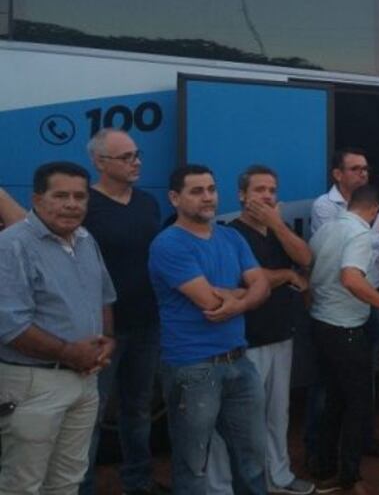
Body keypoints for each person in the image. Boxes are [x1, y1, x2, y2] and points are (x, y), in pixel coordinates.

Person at [148, 164, 271, 494]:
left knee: (253, 460)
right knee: (193, 466)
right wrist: (244, 294)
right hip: (193, 367)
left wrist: (238, 302)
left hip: (239, 361)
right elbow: (209, 301)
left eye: (212, 189)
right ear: (175, 198)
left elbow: (262, 285)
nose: (208, 197)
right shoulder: (169, 244)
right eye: (197, 191)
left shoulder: (231, 236)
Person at [0, 161, 116, 494]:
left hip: (85, 379)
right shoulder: (12, 245)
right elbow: (10, 325)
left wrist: (107, 340)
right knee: (23, 484)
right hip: (34, 384)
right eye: (61, 196)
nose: (71, 204)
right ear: (37, 199)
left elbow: (104, 297)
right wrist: (69, 352)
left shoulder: (85, 239)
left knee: (68, 480)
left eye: (79, 197)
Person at [207, 166, 315, 495]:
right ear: (242, 195)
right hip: (245, 339)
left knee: (277, 414)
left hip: (281, 333)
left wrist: (277, 224)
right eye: (259, 190)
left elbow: (305, 258)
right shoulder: (230, 233)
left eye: (271, 190)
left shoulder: (278, 229)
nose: (267, 196)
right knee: (235, 418)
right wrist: (287, 275)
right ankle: (221, 486)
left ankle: (277, 477)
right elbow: (248, 278)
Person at [308, 184, 379, 494]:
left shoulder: (326, 228)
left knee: (334, 400)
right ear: (375, 210)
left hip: (321, 322)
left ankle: (325, 466)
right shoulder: (360, 234)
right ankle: (350, 476)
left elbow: (309, 268)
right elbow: (351, 278)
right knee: (358, 404)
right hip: (346, 328)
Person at [79, 129, 165, 495]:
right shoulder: (84, 206)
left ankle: (138, 481)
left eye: (137, 154)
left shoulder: (147, 203)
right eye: (126, 157)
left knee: (138, 409)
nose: (137, 162)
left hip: (147, 324)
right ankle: (82, 487)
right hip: (100, 330)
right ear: (99, 162)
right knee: (90, 415)